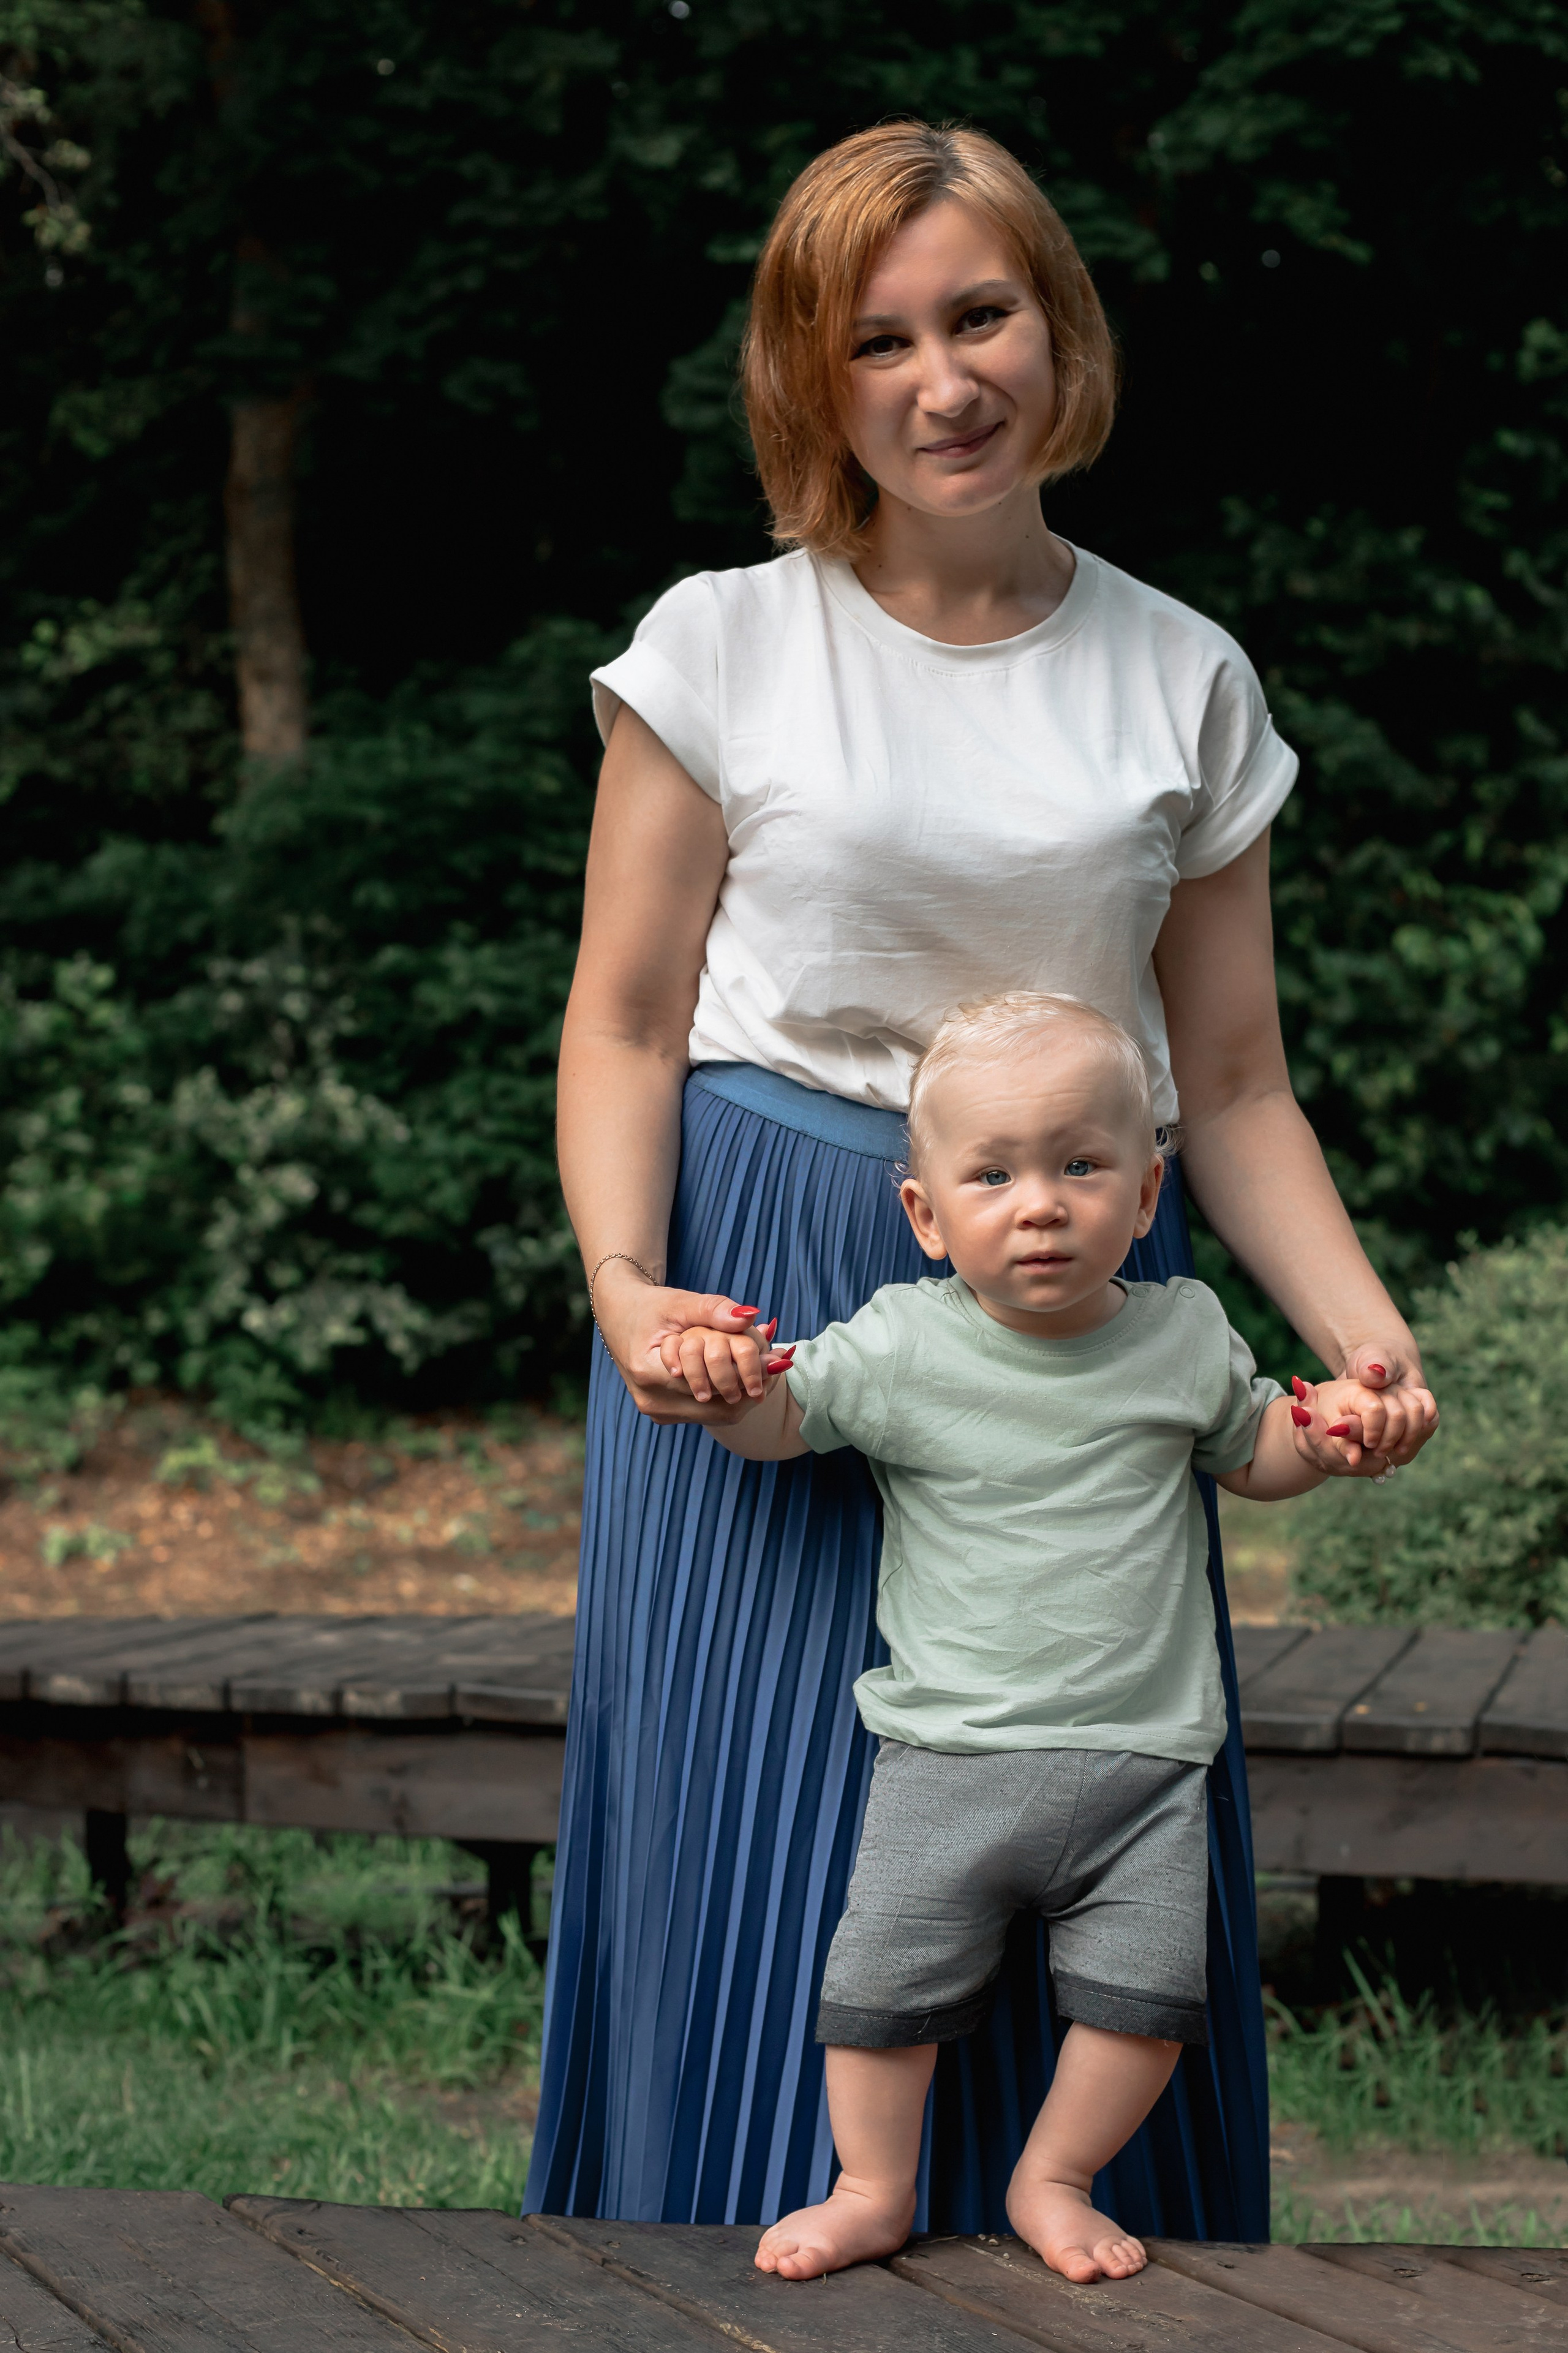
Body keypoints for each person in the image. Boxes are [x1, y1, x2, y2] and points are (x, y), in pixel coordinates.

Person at [528, 118, 1440, 2237]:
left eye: (982, 317)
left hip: (1077, 1290)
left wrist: (1362, 1337)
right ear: (811, 378)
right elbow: (626, 1022)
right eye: (879, 342)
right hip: (758, 1289)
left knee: (1088, 1769)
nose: (943, 383)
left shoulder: (1181, 671)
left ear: (1060, 327)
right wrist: (630, 1283)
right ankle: (708, 2255)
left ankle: (1085, 2235)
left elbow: (1233, 1081)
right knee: (764, 1816)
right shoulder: (720, 646)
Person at [662, 991, 1432, 2281]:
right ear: (925, 1215)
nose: (1039, 1205)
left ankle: (1053, 2174)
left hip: (1144, 1767)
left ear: (1145, 1193)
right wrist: (726, 1384)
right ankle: (872, 2185)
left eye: (1080, 1166)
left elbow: (1255, 1449)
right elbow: (782, 1425)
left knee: (1144, 2006)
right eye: (994, 1175)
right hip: (948, 1758)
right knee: (879, 1993)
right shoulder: (903, 1340)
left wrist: (1330, 1435)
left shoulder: (1182, 1332)